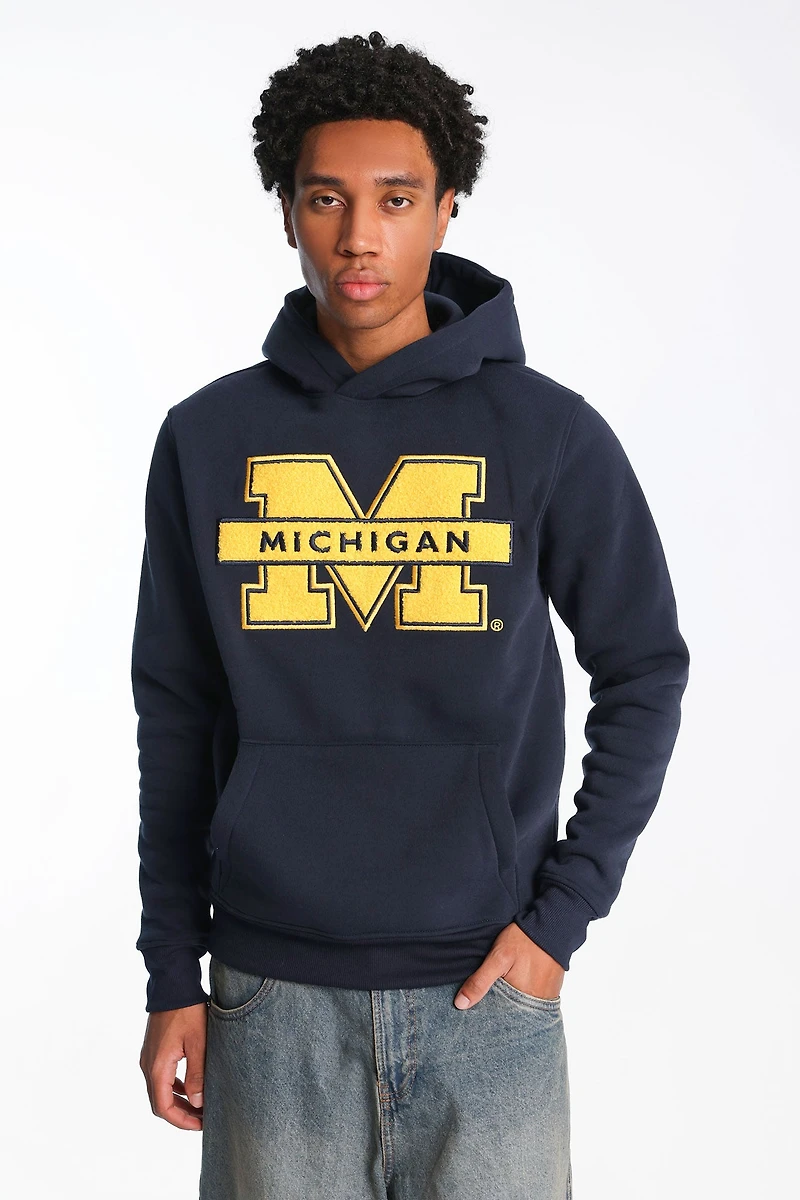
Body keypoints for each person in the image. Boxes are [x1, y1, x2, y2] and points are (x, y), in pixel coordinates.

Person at [133, 30, 690, 1200]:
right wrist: (171, 972)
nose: (357, 235)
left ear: (445, 210)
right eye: (324, 198)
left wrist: (560, 919)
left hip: (487, 996)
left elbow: (642, 667)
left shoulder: (545, 433)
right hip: (266, 996)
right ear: (286, 212)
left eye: (394, 199)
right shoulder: (208, 438)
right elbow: (174, 712)